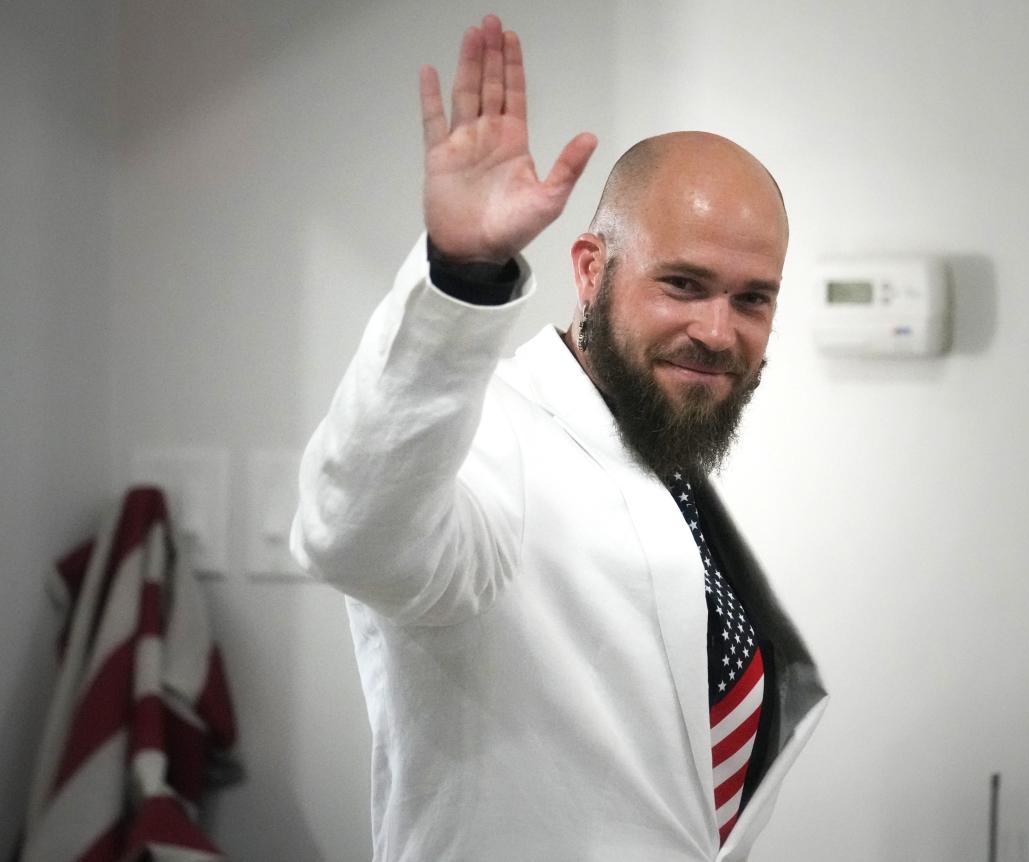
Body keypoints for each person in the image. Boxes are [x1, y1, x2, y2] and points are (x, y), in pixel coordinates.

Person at [291, 14, 827, 862]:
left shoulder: (658, 454)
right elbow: (354, 536)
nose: (718, 331)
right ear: (590, 269)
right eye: (682, 284)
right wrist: (461, 278)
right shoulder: (491, 439)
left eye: (751, 298)